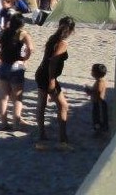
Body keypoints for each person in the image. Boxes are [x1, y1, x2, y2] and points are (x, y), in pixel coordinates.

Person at [0, 14, 33, 130]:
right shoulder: (23, 34)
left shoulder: (4, 32)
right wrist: (25, 58)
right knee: (17, 97)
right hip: (16, 65)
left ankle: (4, 123)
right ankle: (16, 122)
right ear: (21, 24)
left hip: (4, 65)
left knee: (3, 96)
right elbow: (30, 48)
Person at [35, 16, 75, 150]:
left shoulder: (53, 38)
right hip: (48, 76)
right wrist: (52, 80)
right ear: (71, 30)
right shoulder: (62, 43)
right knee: (63, 106)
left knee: (42, 104)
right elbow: (53, 61)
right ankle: (63, 139)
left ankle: (41, 135)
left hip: (41, 73)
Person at [89, 63, 110, 135]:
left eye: (92, 71)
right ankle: (100, 129)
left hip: (98, 103)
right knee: (99, 117)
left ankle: (99, 131)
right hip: (99, 103)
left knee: (97, 118)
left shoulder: (99, 82)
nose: (91, 72)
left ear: (96, 73)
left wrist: (89, 91)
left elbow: (97, 93)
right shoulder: (101, 81)